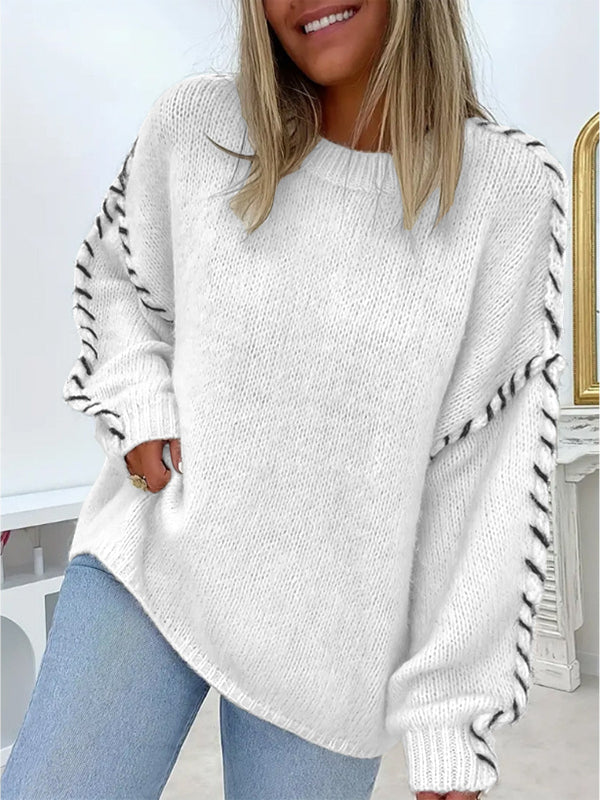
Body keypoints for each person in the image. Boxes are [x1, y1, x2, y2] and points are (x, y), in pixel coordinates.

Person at [2, 0, 568, 798]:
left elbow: (485, 473)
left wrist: (452, 721)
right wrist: (140, 406)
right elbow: (120, 282)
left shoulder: (505, 192)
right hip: (155, 561)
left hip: (335, 643)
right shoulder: (197, 127)